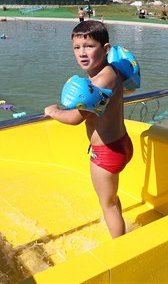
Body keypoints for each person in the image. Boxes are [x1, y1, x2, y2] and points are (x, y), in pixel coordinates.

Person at [44, 21, 132, 239]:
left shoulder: (101, 80)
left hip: (106, 153)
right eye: (77, 48)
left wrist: (54, 111)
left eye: (89, 46)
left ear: (106, 49)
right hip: (120, 143)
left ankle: (120, 250)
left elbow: (75, 118)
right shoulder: (111, 72)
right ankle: (120, 232)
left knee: (107, 205)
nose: (82, 53)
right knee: (111, 198)